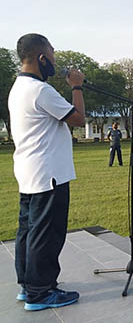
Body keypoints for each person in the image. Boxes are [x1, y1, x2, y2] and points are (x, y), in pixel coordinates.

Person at [8, 33, 83, 310]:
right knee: (47, 234)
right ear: (42, 58)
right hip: (49, 174)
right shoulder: (41, 91)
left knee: (28, 231)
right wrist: (77, 86)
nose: (54, 61)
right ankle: (41, 293)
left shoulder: (19, 87)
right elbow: (77, 118)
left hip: (30, 172)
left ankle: (29, 286)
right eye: (52, 55)